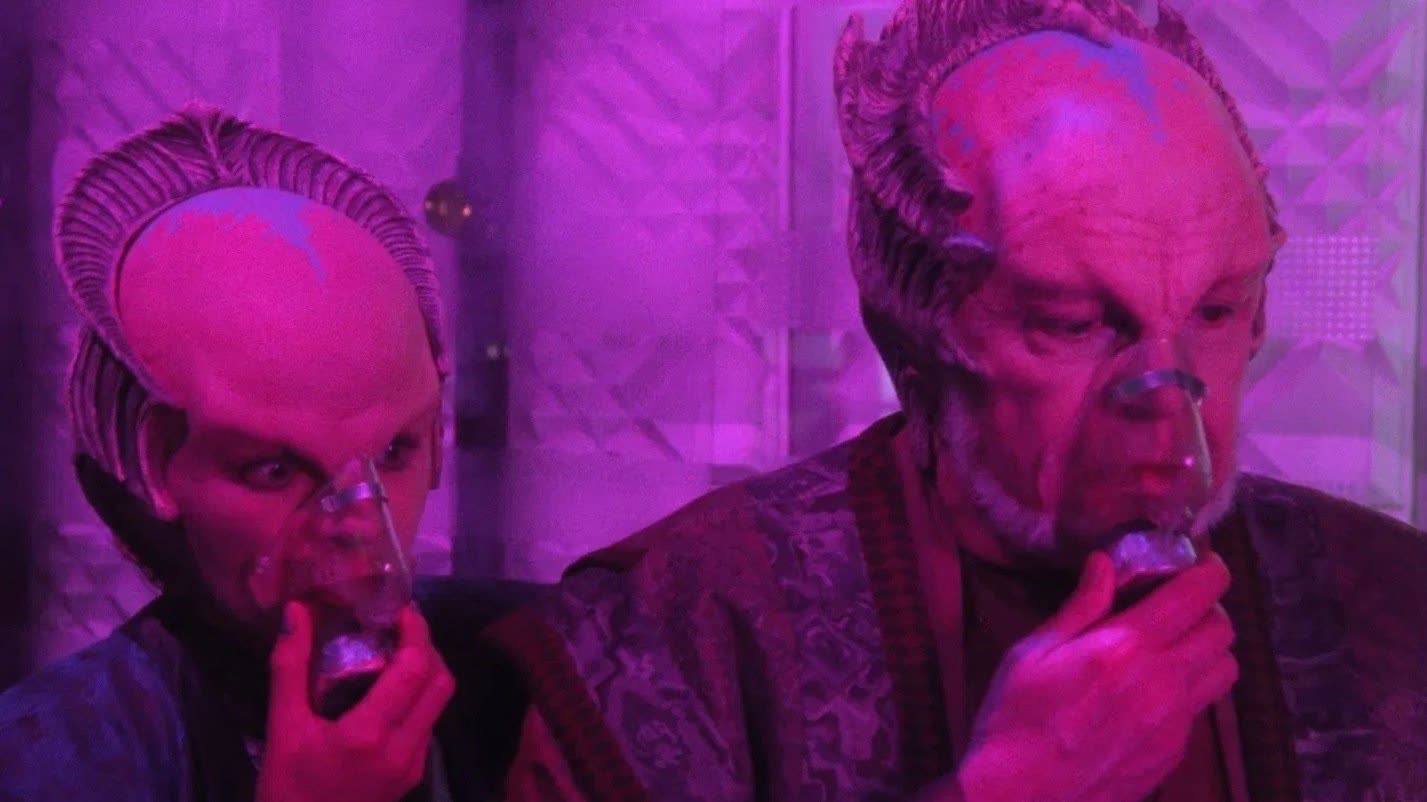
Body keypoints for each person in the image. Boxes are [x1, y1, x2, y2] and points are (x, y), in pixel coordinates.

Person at [490, 1, 1427, 800]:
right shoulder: (674, 635)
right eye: (1071, 323)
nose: (1168, 418)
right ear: (917, 340)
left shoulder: (1395, 609)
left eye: (1214, 311)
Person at [0, 106, 537, 802]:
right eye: (274, 470)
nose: (359, 532)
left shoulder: (535, 668)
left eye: (394, 451)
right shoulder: (57, 760)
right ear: (156, 465)